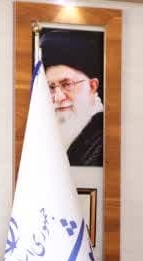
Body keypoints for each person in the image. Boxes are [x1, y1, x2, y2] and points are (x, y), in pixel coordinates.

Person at [40, 30, 103, 167]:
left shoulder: (102, 141)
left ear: (92, 86)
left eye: (67, 84)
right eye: (51, 87)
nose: (58, 98)